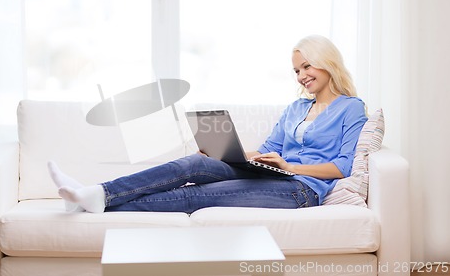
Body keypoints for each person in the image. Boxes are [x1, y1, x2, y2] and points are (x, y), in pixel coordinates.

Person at [48, 35, 368, 214]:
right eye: (296, 70)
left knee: (198, 195)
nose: (301, 76)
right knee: (194, 163)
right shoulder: (297, 107)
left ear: (328, 63)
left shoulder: (351, 108)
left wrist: (292, 167)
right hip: (275, 172)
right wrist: (229, 153)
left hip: (301, 189)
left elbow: (343, 167)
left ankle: (95, 202)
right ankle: (99, 192)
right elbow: (269, 150)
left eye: (306, 66)